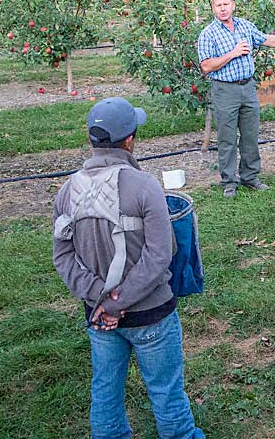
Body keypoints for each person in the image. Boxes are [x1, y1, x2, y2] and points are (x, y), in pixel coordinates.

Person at [52, 97, 204, 439]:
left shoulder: (66, 191)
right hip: (151, 314)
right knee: (165, 390)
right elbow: (160, 253)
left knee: (105, 391)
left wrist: (101, 300)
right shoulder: (144, 186)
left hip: (98, 315)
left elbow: (63, 257)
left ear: (91, 138)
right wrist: (121, 301)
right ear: (130, 140)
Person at [197, 0, 275, 198]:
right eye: (218, 5)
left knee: (250, 135)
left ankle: (250, 177)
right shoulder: (208, 33)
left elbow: (265, 39)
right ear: (213, 8)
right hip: (224, 90)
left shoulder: (244, 26)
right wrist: (233, 53)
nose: (222, 9)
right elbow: (207, 66)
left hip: (247, 87)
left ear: (233, 5)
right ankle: (229, 181)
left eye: (226, 4)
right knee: (227, 138)